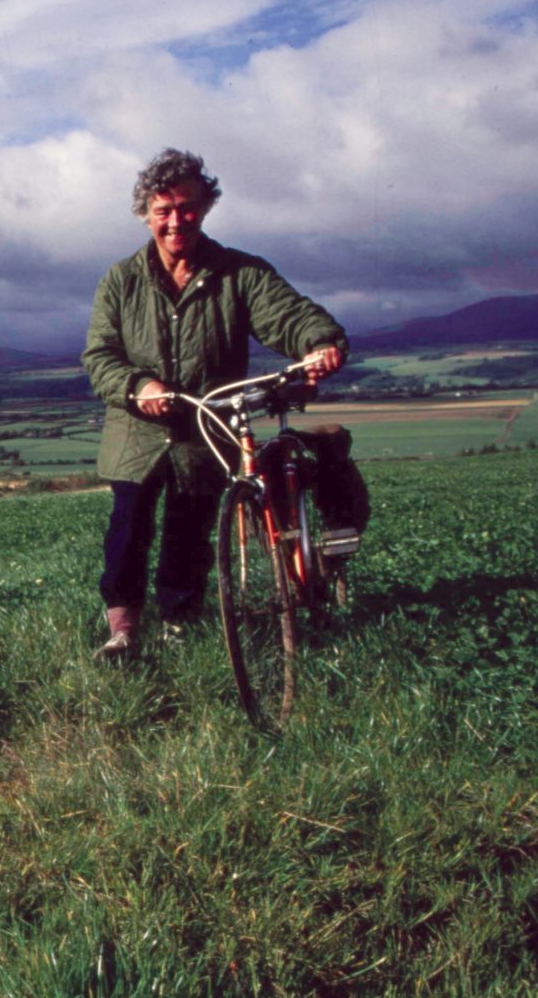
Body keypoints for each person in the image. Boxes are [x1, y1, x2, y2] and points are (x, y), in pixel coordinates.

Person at [82, 149, 347, 660]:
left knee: (191, 530)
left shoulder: (239, 273)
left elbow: (288, 315)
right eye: (164, 210)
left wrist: (319, 342)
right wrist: (139, 386)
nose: (176, 220)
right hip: (137, 430)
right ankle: (123, 630)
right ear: (145, 214)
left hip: (209, 429)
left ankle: (180, 622)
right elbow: (100, 356)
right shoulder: (121, 280)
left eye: (187, 207)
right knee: (128, 528)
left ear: (205, 208)